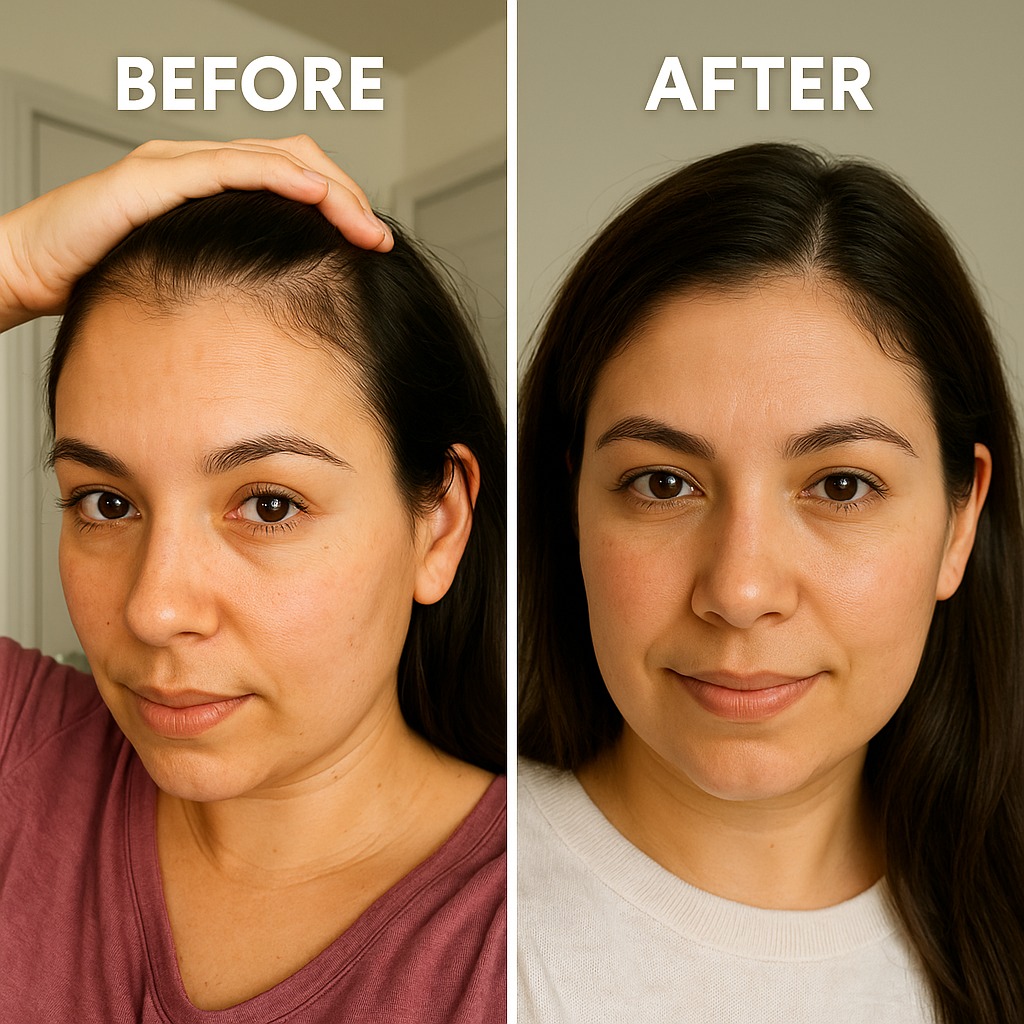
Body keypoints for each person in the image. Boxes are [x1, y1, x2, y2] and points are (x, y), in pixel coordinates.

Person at [518, 142, 1024, 1023]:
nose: (741, 589)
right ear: (570, 506)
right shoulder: (438, 908)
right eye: (662, 484)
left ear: (960, 521)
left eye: (841, 486)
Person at [0, 138, 505, 1021]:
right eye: (105, 503)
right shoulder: (21, 761)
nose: (154, 609)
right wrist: (12, 265)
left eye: (268, 506)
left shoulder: (531, 938)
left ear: (440, 524)